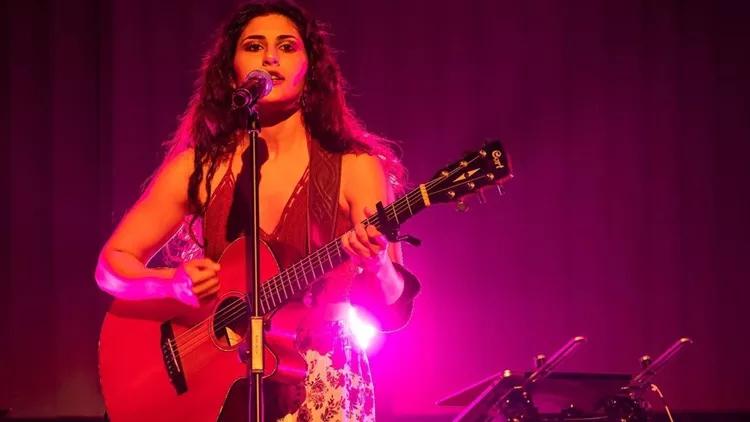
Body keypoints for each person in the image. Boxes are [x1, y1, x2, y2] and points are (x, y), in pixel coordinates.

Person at [94, 0, 420, 421]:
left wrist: (379, 265)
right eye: (254, 46)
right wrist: (171, 284)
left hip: (319, 383)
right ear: (230, 70)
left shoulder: (355, 167)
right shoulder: (198, 167)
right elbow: (111, 266)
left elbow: (393, 308)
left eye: (287, 46)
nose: (270, 58)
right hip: (219, 386)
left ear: (310, 68)